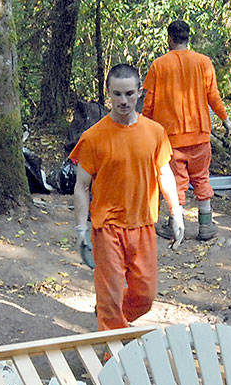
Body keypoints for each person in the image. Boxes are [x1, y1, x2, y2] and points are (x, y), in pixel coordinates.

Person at [72, 64, 184, 331]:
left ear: (139, 92)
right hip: (107, 226)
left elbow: (164, 172)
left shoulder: (155, 132)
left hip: (143, 223)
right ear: (108, 93)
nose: (124, 101)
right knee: (110, 296)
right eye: (118, 94)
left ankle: (111, 319)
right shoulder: (93, 137)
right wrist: (80, 229)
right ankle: (112, 351)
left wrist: (176, 212)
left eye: (130, 94)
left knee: (144, 296)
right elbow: (81, 186)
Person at [142, 19, 229, 242]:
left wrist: (143, 127)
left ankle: (174, 225)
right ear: (187, 38)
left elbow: (149, 103)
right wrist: (225, 119)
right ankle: (206, 225)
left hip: (170, 138)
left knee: (176, 181)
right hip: (200, 134)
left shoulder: (159, 65)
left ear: (169, 38)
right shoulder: (204, 62)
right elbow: (214, 97)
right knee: (201, 177)